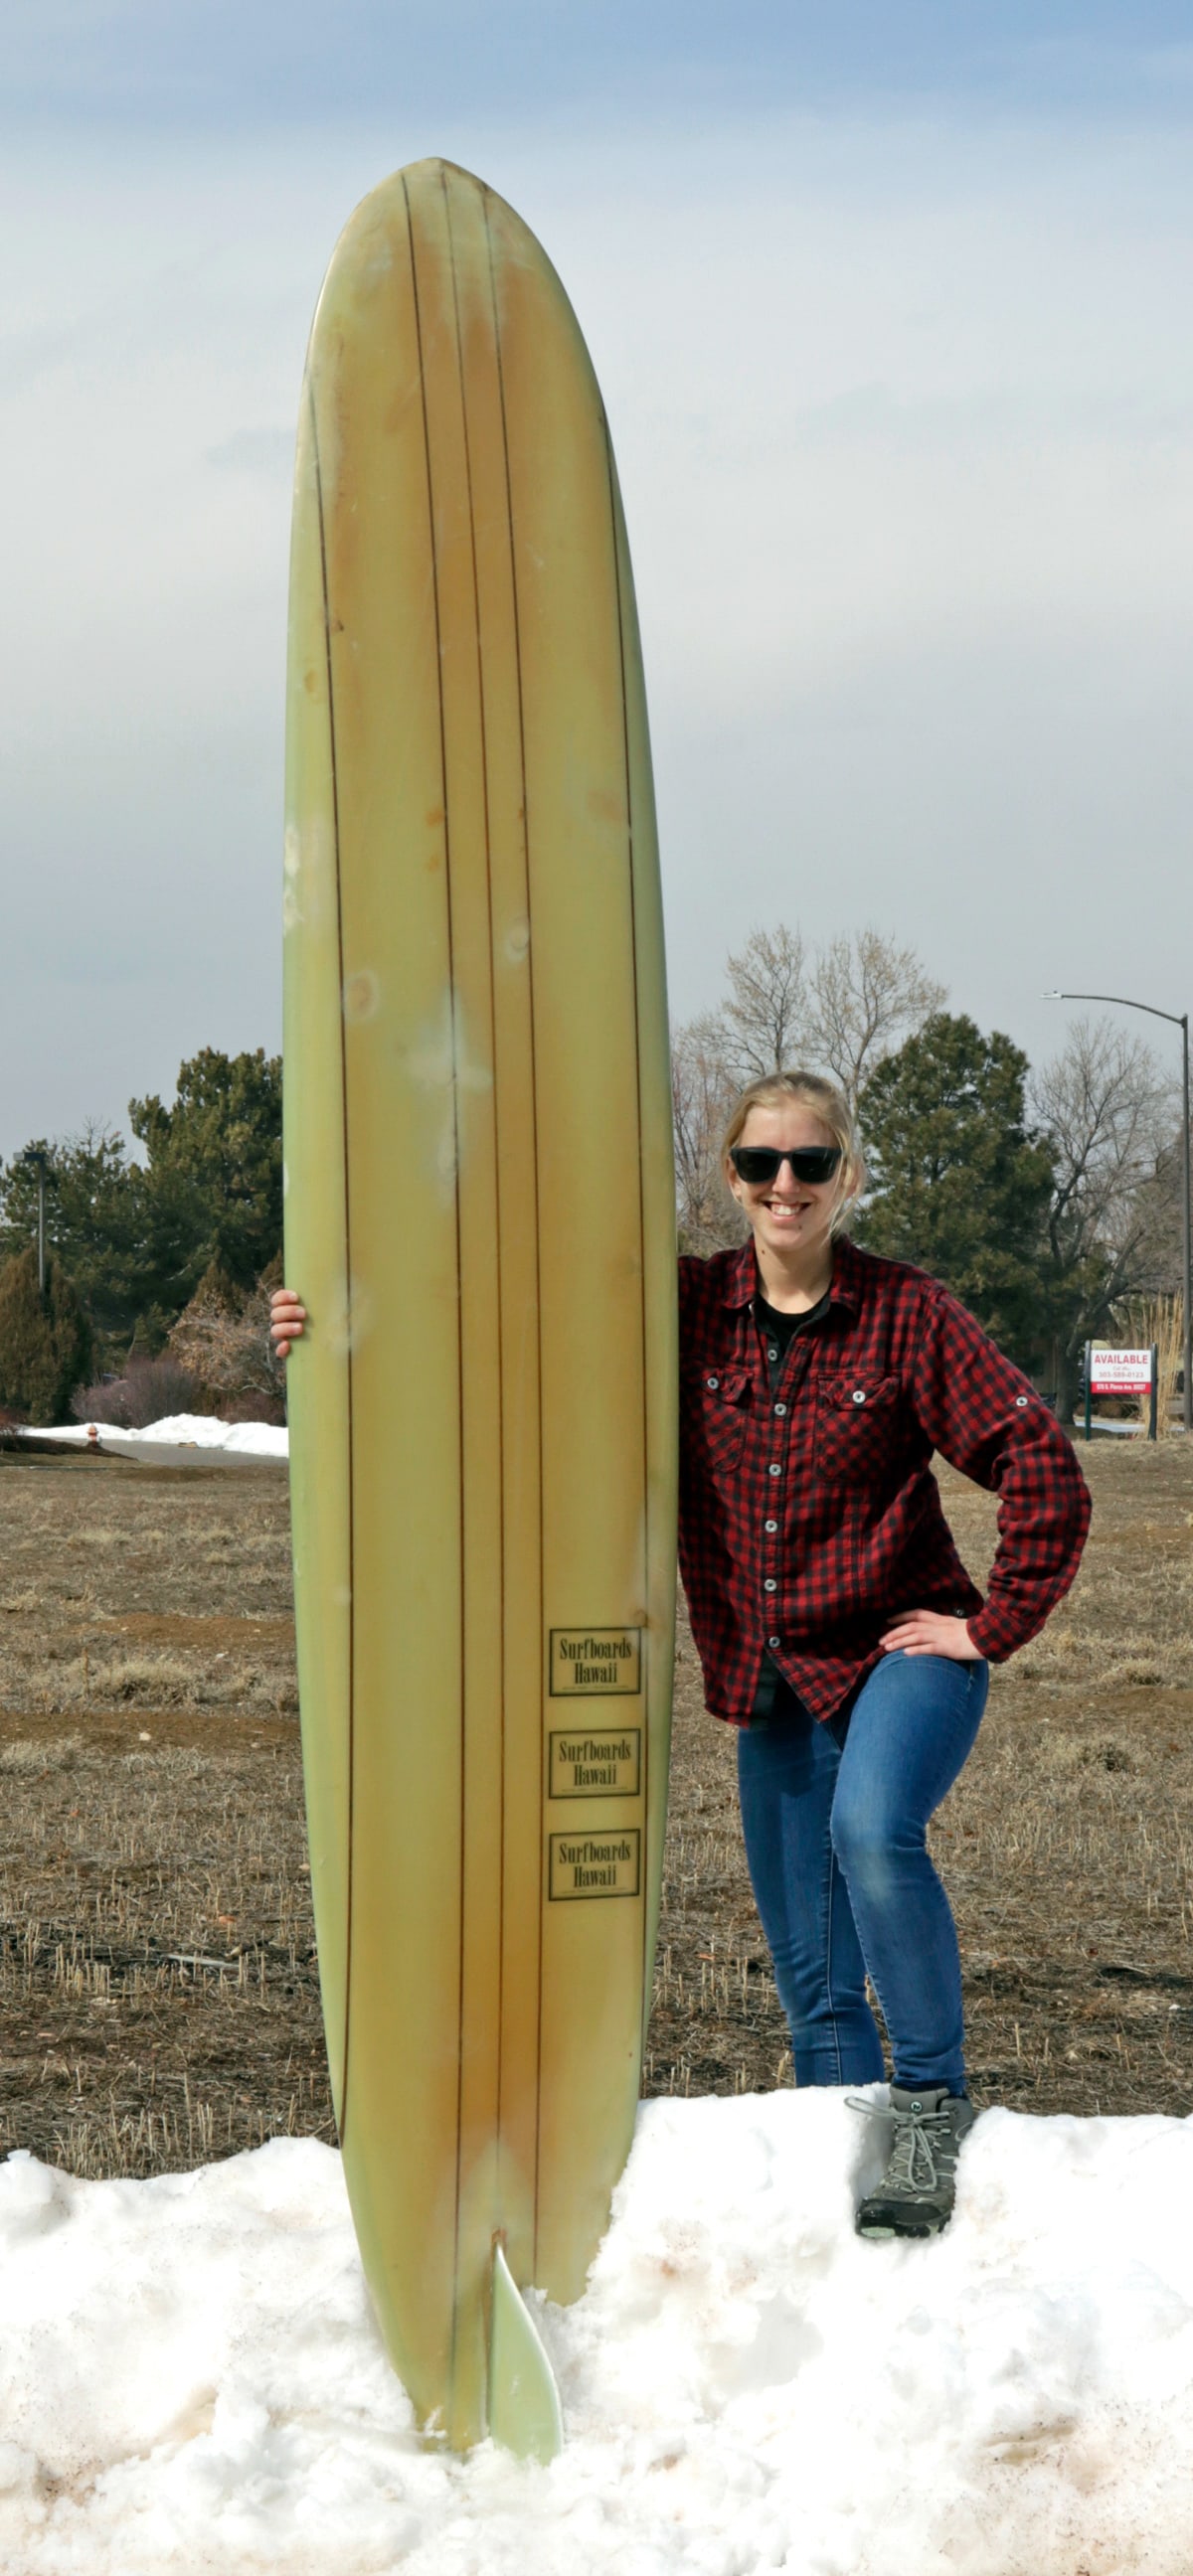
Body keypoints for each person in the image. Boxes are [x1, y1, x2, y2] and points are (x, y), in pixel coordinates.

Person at [269, 1066, 1092, 2242]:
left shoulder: (907, 1313)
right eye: (762, 1164)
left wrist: (988, 1625)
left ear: (846, 1174)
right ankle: (838, 2186)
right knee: (812, 1984)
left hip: (900, 1654)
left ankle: (929, 2102)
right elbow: (500, 1325)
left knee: (871, 1833)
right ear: (731, 1177)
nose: (787, 1186)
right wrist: (339, 1317)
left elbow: (1039, 1461)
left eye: (811, 1162)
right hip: (773, 1685)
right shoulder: (682, 1309)